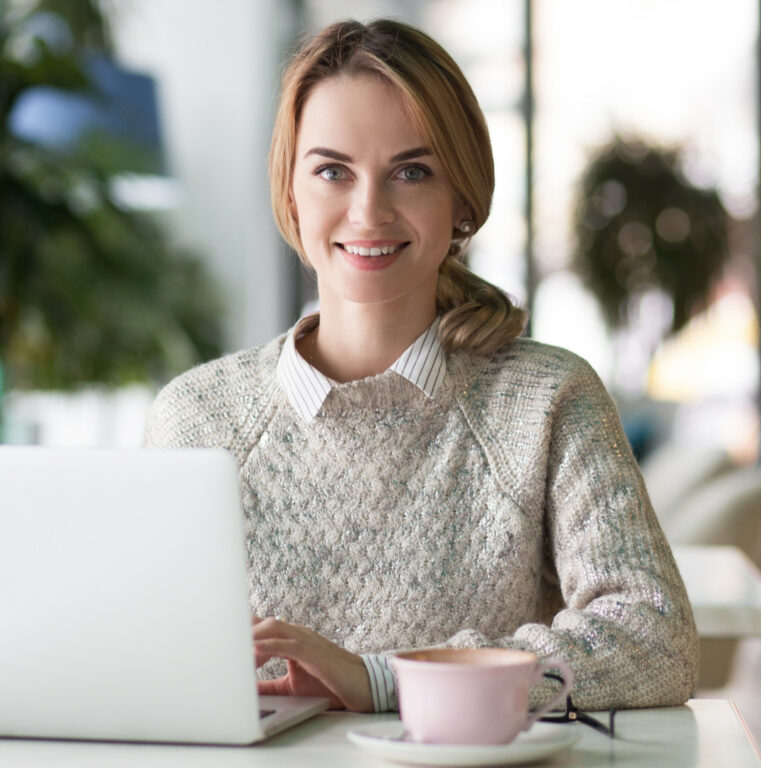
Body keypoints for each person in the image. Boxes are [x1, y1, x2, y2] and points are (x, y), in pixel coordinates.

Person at [145, 18, 698, 714]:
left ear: (462, 200)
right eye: (331, 171)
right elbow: (150, 660)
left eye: (412, 171)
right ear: (290, 194)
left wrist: (388, 680)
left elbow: (657, 638)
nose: (368, 210)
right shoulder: (196, 417)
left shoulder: (548, 399)